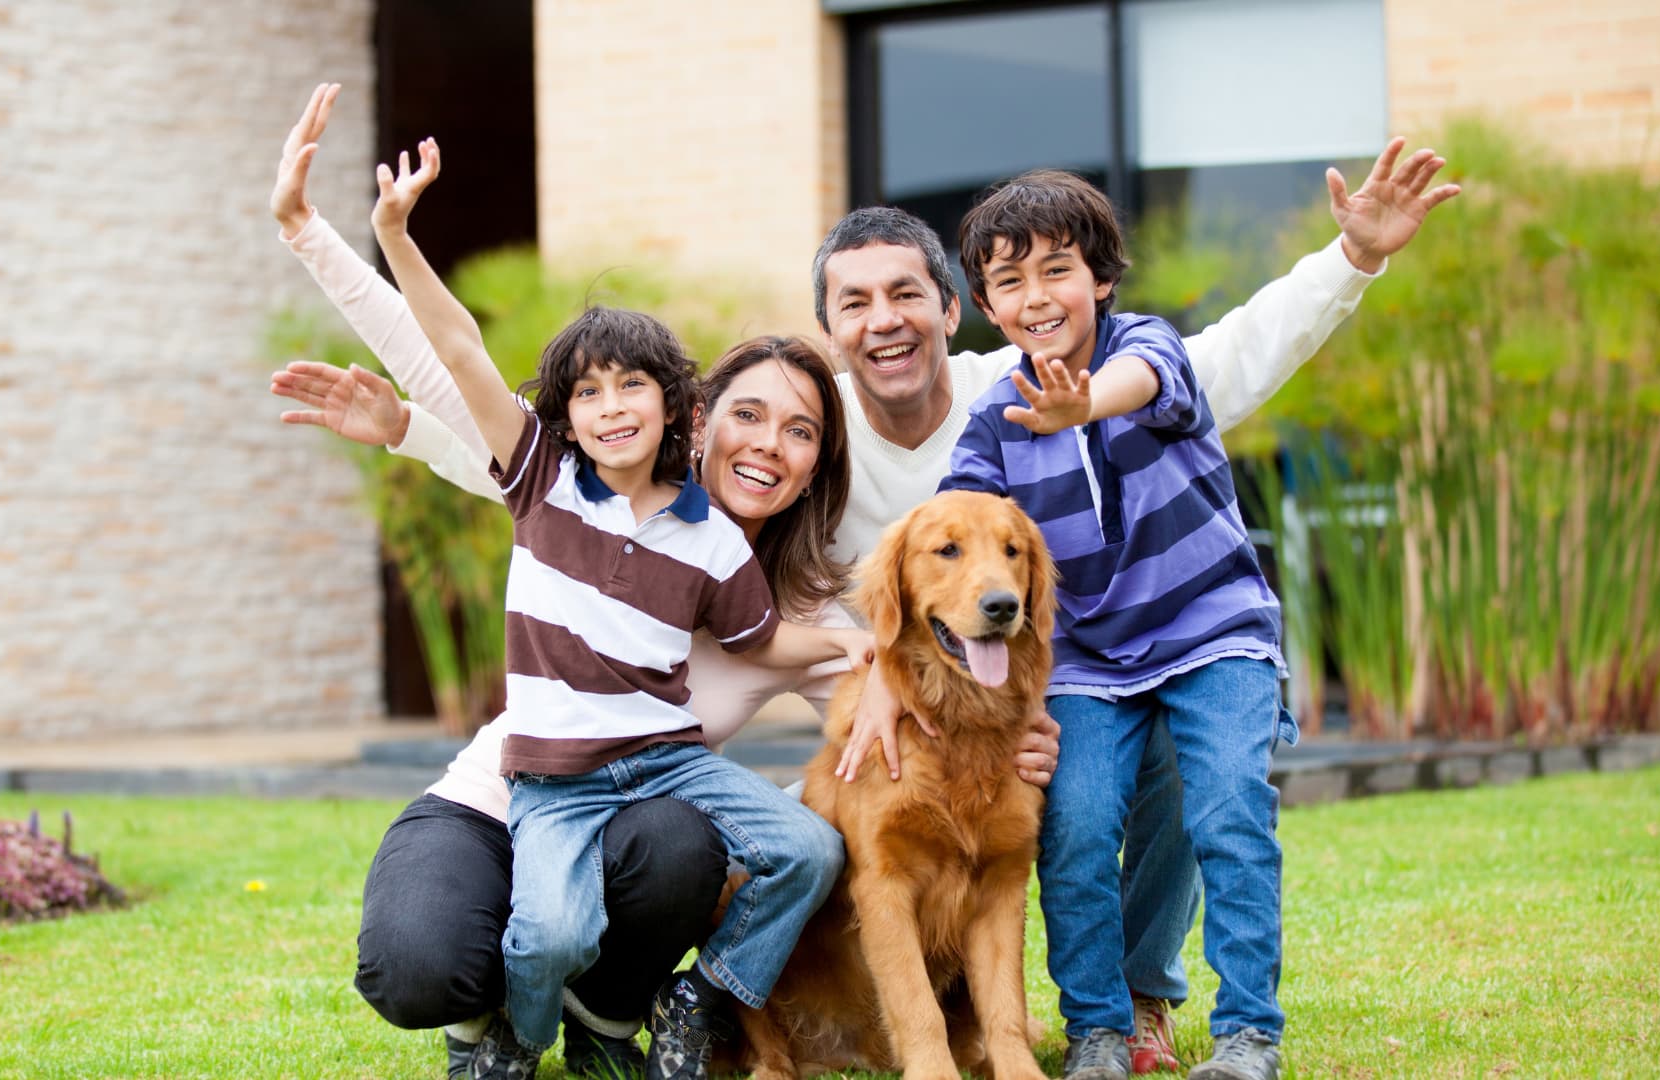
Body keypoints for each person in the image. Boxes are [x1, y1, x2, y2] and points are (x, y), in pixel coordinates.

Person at [269, 81, 1456, 1077]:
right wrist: (331, 264)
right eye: (851, 306)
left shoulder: (978, 424)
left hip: (662, 810)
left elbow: (1216, 365)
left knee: (1103, 758)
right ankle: (531, 1008)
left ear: (953, 309)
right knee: (431, 965)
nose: (767, 448)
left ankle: (1127, 998)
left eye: (905, 297)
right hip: (516, 792)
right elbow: (475, 399)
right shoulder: (648, 488)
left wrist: (1351, 258)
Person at [364, 132, 875, 1080]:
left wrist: (871, 654)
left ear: (677, 405)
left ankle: (702, 993)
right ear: (563, 419)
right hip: (553, 780)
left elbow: (763, 642)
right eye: (588, 393)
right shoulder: (541, 485)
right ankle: (512, 1036)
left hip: (667, 769)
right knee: (546, 935)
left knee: (808, 850)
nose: (611, 406)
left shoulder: (713, 538)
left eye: (631, 385)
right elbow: (459, 352)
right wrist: (395, 238)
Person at [939, 170, 1295, 1080]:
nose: (1036, 297)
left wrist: (1082, 403)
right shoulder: (990, 423)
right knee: (1079, 826)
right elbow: (954, 532)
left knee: (1227, 810)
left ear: (1099, 278)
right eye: (1009, 282)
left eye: (1056, 270)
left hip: (1213, 630)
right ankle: (1098, 1029)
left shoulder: (1145, 346)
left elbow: (1144, 381)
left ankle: (1249, 1035)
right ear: (985, 303)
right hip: (1091, 660)